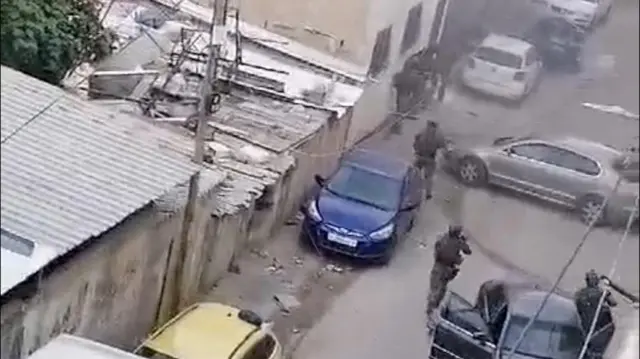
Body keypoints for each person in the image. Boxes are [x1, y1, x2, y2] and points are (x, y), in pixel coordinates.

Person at [426, 225, 472, 323]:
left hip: (440, 268)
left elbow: (437, 249)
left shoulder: (443, 238)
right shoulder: (458, 242)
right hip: (446, 269)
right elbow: (467, 251)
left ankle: (431, 310)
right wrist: (464, 241)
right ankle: (431, 312)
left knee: (436, 290)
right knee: (439, 291)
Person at [574, 269, 617, 357]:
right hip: (598, 324)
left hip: (586, 324)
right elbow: (613, 303)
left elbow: (576, 306)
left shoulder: (579, 293)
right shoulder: (602, 292)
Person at [413, 120, 447, 199]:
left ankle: (412, 187)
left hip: (420, 156)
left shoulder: (422, 131)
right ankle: (428, 194)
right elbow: (443, 147)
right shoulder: (439, 135)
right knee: (429, 177)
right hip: (430, 159)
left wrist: (416, 151)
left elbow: (415, 140)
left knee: (415, 172)